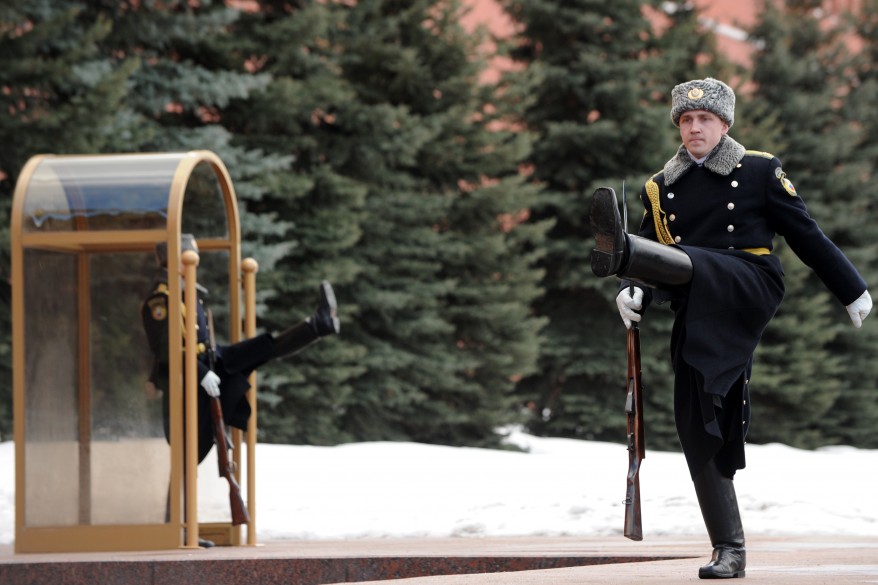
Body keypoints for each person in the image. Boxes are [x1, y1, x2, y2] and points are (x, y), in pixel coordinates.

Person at [589, 77, 872, 579]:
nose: (694, 128)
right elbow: (668, 259)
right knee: (698, 423)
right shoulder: (662, 185)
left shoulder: (760, 169)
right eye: (686, 120)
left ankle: (623, 252)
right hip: (697, 304)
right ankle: (729, 549)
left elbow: (805, 234)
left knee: (687, 258)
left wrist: (851, 288)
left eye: (705, 120)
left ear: (723, 124)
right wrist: (639, 291)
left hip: (748, 283)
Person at [142, 234, 340, 542]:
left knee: (259, 348)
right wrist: (201, 372)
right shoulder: (161, 299)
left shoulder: (185, 291)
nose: (194, 262)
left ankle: (317, 324)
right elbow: (168, 350)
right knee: (185, 461)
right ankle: (177, 532)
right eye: (188, 257)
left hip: (207, 368)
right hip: (186, 383)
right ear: (175, 261)